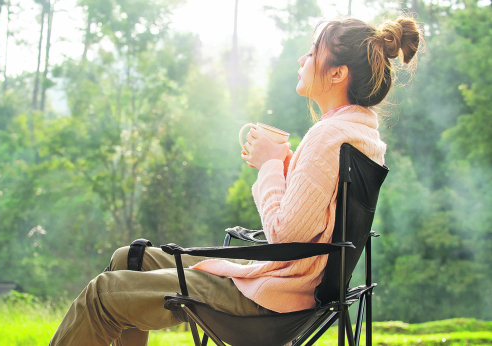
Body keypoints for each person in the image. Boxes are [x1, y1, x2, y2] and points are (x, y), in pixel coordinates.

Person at [49, 16, 422, 346]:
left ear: (338, 73)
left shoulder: (327, 137)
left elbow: (284, 236)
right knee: (128, 259)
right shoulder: (361, 134)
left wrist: (270, 166)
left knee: (102, 294)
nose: (302, 59)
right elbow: (320, 216)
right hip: (292, 290)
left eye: (312, 52)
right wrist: (290, 163)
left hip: (271, 301)